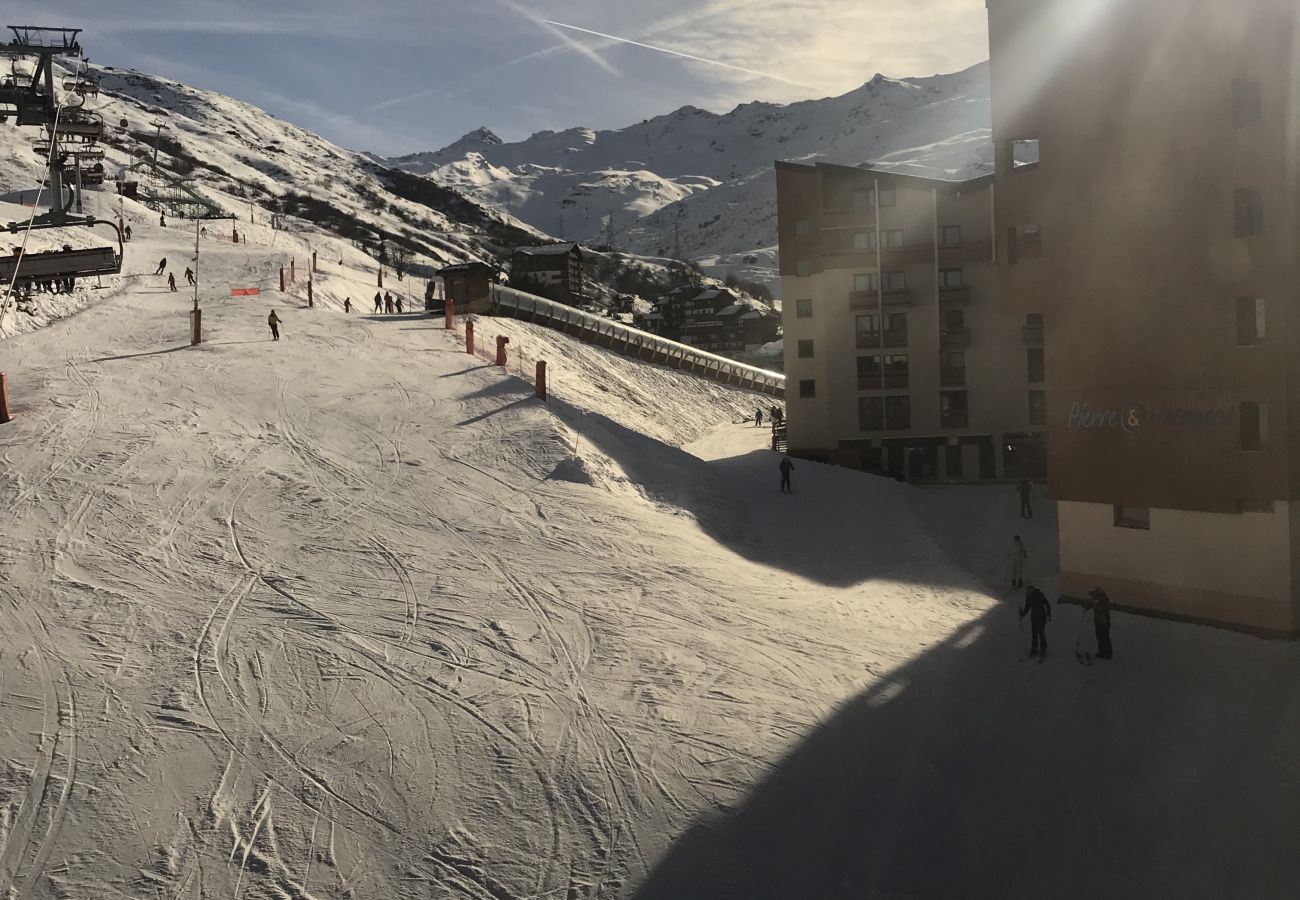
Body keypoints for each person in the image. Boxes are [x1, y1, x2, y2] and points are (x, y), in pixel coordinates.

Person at [1019, 584, 1052, 657]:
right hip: (1034, 617)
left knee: (1041, 632)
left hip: (1041, 616)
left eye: (1029, 592)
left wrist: (1049, 614)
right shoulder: (1028, 598)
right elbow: (1027, 608)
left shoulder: (1039, 595)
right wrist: (1022, 614)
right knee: (1034, 633)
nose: (1028, 593)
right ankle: (1035, 648)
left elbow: (1047, 604)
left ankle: (1043, 649)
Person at [1088, 587, 1113, 660]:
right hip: (1100, 621)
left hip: (1103, 622)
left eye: (1093, 594)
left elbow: (1102, 610)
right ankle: (1103, 652)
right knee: (1100, 637)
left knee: (1103, 637)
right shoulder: (1099, 599)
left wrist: (1104, 623)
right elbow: (1091, 603)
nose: (1092, 596)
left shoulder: (1102, 600)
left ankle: (1106, 653)